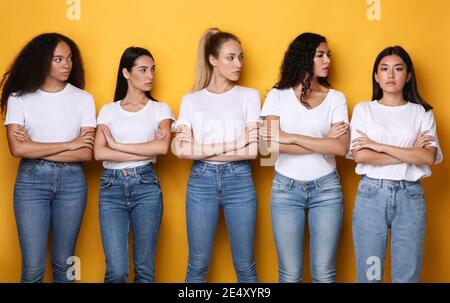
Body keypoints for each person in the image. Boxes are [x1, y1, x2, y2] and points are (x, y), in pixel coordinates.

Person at [1, 33, 96, 283]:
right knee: (32, 269)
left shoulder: (83, 99)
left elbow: (86, 152)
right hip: (31, 182)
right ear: (43, 61)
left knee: (65, 266)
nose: (67, 64)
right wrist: (69, 143)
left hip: (72, 183)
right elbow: (18, 149)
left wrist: (35, 144)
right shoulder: (19, 98)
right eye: (59, 59)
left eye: (70, 58)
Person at [348, 46, 443, 283]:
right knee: (370, 274)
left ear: (408, 75)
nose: (391, 75)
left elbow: (428, 157)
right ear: (376, 76)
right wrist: (411, 151)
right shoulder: (364, 109)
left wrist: (379, 146)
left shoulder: (422, 112)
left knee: (407, 274)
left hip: (410, 195)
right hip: (371, 194)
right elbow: (361, 156)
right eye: (384, 69)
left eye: (398, 69)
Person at [260, 32, 349, 283]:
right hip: (286, 189)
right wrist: (323, 143)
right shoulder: (277, 95)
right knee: (289, 274)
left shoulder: (336, 98)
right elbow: (270, 145)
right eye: (320, 55)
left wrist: (290, 137)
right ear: (303, 58)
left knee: (324, 273)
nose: (327, 60)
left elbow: (340, 148)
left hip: (327, 189)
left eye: (328, 55)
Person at [174, 28, 260, 283]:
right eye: (231, 58)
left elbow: (254, 151)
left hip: (240, 182)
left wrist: (201, 150)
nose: (238, 64)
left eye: (240, 57)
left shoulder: (250, 96)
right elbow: (180, 151)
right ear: (213, 60)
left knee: (245, 266)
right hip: (201, 183)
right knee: (198, 265)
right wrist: (235, 143)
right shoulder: (191, 100)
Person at [94, 47, 174, 283]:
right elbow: (99, 152)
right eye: (143, 70)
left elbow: (161, 148)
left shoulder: (161, 110)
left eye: (152, 70)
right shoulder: (108, 110)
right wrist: (143, 147)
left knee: (145, 269)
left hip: (146, 186)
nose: (150, 75)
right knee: (117, 271)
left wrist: (116, 146)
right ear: (126, 73)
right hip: (111, 188)